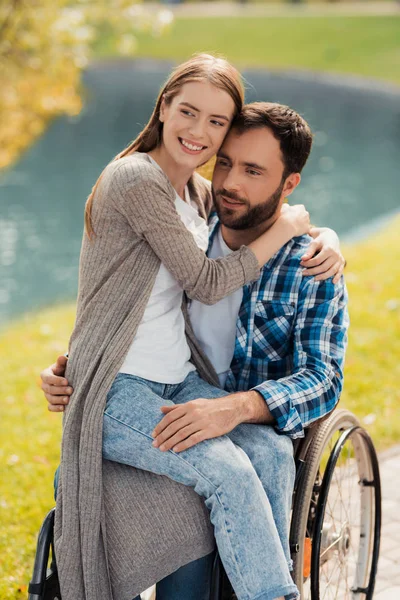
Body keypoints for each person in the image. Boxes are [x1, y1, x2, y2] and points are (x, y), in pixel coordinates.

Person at [41, 97, 348, 600]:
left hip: (234, 416)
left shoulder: (309, 266)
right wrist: (69, 366)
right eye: (223, 162)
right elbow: (131, 310)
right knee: (205, 485)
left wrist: (238, 407)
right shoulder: (190, 228)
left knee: (264, 455)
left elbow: (324, 379)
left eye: (253, 170)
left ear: (288, 184)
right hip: (156, 402)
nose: (230, 182)